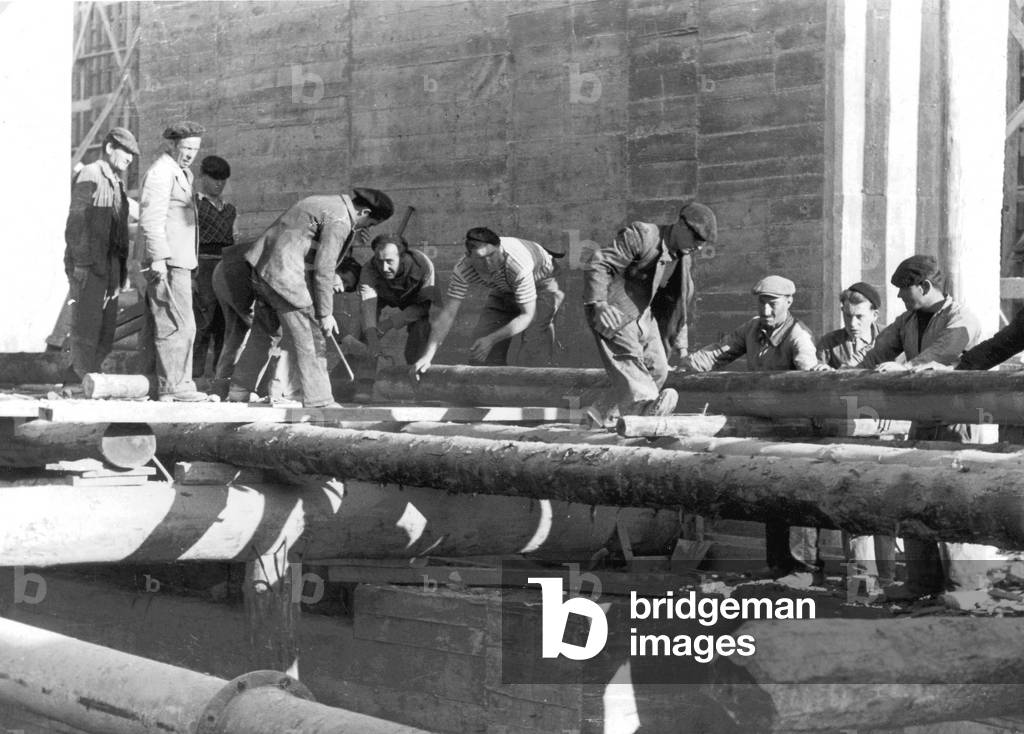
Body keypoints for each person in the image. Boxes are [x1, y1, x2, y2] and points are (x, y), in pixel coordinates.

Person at [857, 254, 993, 595]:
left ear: (925, 286)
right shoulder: (908, 321)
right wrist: (844, 373)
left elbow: (942, 354)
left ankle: (965, 587)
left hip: (956, 424)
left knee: (952, 501)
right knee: (913, 497)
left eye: (905, 291)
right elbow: (875, 356)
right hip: (922, 421)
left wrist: (905, 367)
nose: (901, 298)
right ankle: (921, 583)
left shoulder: (962, 318)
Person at [678, 275, 820, 583]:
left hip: (795, 430)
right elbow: (719, 352)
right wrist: (685, 366)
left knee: (796, 497)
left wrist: (812, 375)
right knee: (771, 494)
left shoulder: (799, 336)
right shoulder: (752, 329)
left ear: (788, 302)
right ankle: (778, 564)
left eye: (773, 304)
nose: (767, 311)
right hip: (764, 428)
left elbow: (810, 370)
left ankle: (802, 569)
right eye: (762, 304)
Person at [227, 188, 393, 408]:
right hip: (285, 277)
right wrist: (325, 314)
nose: (365, 228)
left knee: (264, 332)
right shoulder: (341, 219)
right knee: (313, 337)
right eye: (369, 224)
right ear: (364, 211)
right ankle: (320, 400)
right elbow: (324, 269)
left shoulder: (325, 202)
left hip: (263, 270)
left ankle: (239, 390)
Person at [582, 203, 717, 422]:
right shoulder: (642, 234)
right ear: (681, 224)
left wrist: (682, 349)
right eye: (697, 239)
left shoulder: (684, 258)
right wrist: (598, 302)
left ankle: (600, 415)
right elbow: (599, 262)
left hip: (645, 315)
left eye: (703, 243)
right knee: (631, 360)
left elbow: (680, 304)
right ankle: (644, 413)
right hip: (615, 310)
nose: (699, 247)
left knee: (659, 370)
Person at [410, 228, 564, 376]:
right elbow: (448, 315)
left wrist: (491, 339)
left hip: (543, 282)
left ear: (500, 248)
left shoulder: (518, 264)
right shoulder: (462, 269)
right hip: (505, 288)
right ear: (468, 256)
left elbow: (527, 315)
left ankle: (534, 394)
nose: (489, 264)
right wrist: (427, 357)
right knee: (481, 347)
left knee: (533, 341)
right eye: (481, 258)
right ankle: (495, 395)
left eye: (492, 255)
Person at [62, 127, 139, 383]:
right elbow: (76, 223)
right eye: (125, 151)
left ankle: (90, 377)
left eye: (132, 154)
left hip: (111, 267)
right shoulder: (91, 173)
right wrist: (81, 263)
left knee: (106, 329)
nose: (129, 158)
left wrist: (122, 272)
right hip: (90, 264)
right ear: (109, 148)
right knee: (86, 325)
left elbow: (116, 229)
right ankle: (76, 379)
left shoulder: (116, 182)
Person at [140, 120, 208, 401]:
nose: (191, 154)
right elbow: (151, 218)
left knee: (173, 321)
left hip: (181, 260)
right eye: (186, 147)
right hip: (167, 262)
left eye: (195, 148)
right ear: (172, 145)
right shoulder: (161, 173)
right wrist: (157, 258)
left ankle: (168, 385)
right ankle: (174, 387)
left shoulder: (183, 174)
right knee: (177, 323)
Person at [358, 233, 436, 365]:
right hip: (383, 297)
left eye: (389, 261)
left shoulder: (423, 265)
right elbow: (368, 304)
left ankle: (414, 373)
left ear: (402, 257)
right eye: (379, 261)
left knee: (421, 329)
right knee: (365, 334)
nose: (384, 268)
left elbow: (424, 306)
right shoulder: (369, 269)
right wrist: (372, 338)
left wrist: (388, 324)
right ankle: (362, 380)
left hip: (416, 303)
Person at [192, 155, 238, 379]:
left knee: (224, 322)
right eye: (214, 178)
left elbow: (234, 240)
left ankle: (221, 376)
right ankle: (195, 375)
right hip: (202, 266)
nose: (219, 184)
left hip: (225, 269)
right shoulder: (194, 205)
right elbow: (188, 238)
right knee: (203, 321)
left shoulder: (230, 210)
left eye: (223, 180)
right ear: (203, 177)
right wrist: (192, 273)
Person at [813, 282, 883, 369]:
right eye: (848, 316)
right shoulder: (828, 342)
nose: (852, 324)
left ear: (875, 315)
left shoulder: (890, 338)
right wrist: (825, 372)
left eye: (859, 316)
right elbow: (816, 374)